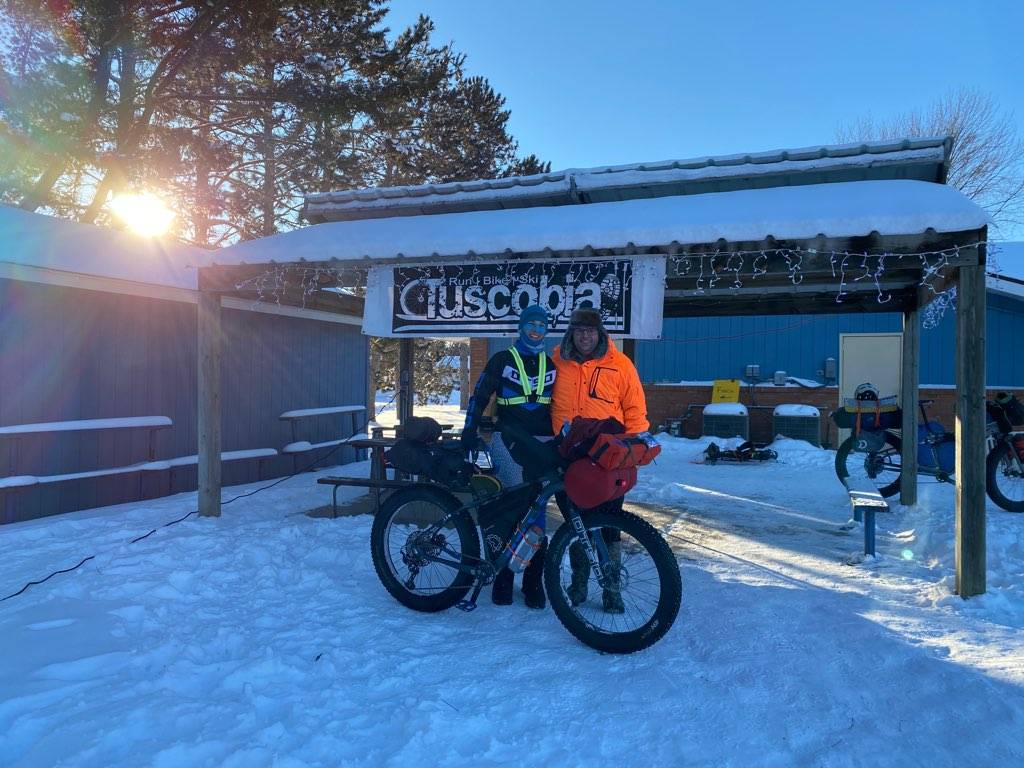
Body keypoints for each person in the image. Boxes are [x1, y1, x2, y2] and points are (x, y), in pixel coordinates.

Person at [550, 306, 649, 613]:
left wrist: (633, 447)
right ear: (571, 333)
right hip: (567, 453)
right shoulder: (556, 361)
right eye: (579, 331)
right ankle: (579, 584)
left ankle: (611, 588)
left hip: (606, 456)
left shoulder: (620, 365)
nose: (585, 337)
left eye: (590, 331)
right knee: (575, 522)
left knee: (609, 523)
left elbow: (635, 409)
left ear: (600, 333)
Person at [461, 304, 555, 609]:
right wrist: (469, 430)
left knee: (536, 516)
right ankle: (502, 580)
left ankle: (532, 583)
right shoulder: (502, 359)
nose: (535, 331)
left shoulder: (553, 366)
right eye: (531, 325)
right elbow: (479, 395)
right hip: (506, 443)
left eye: (541, 326)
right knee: (507, 512)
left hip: (541, 448)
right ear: (521, 327)